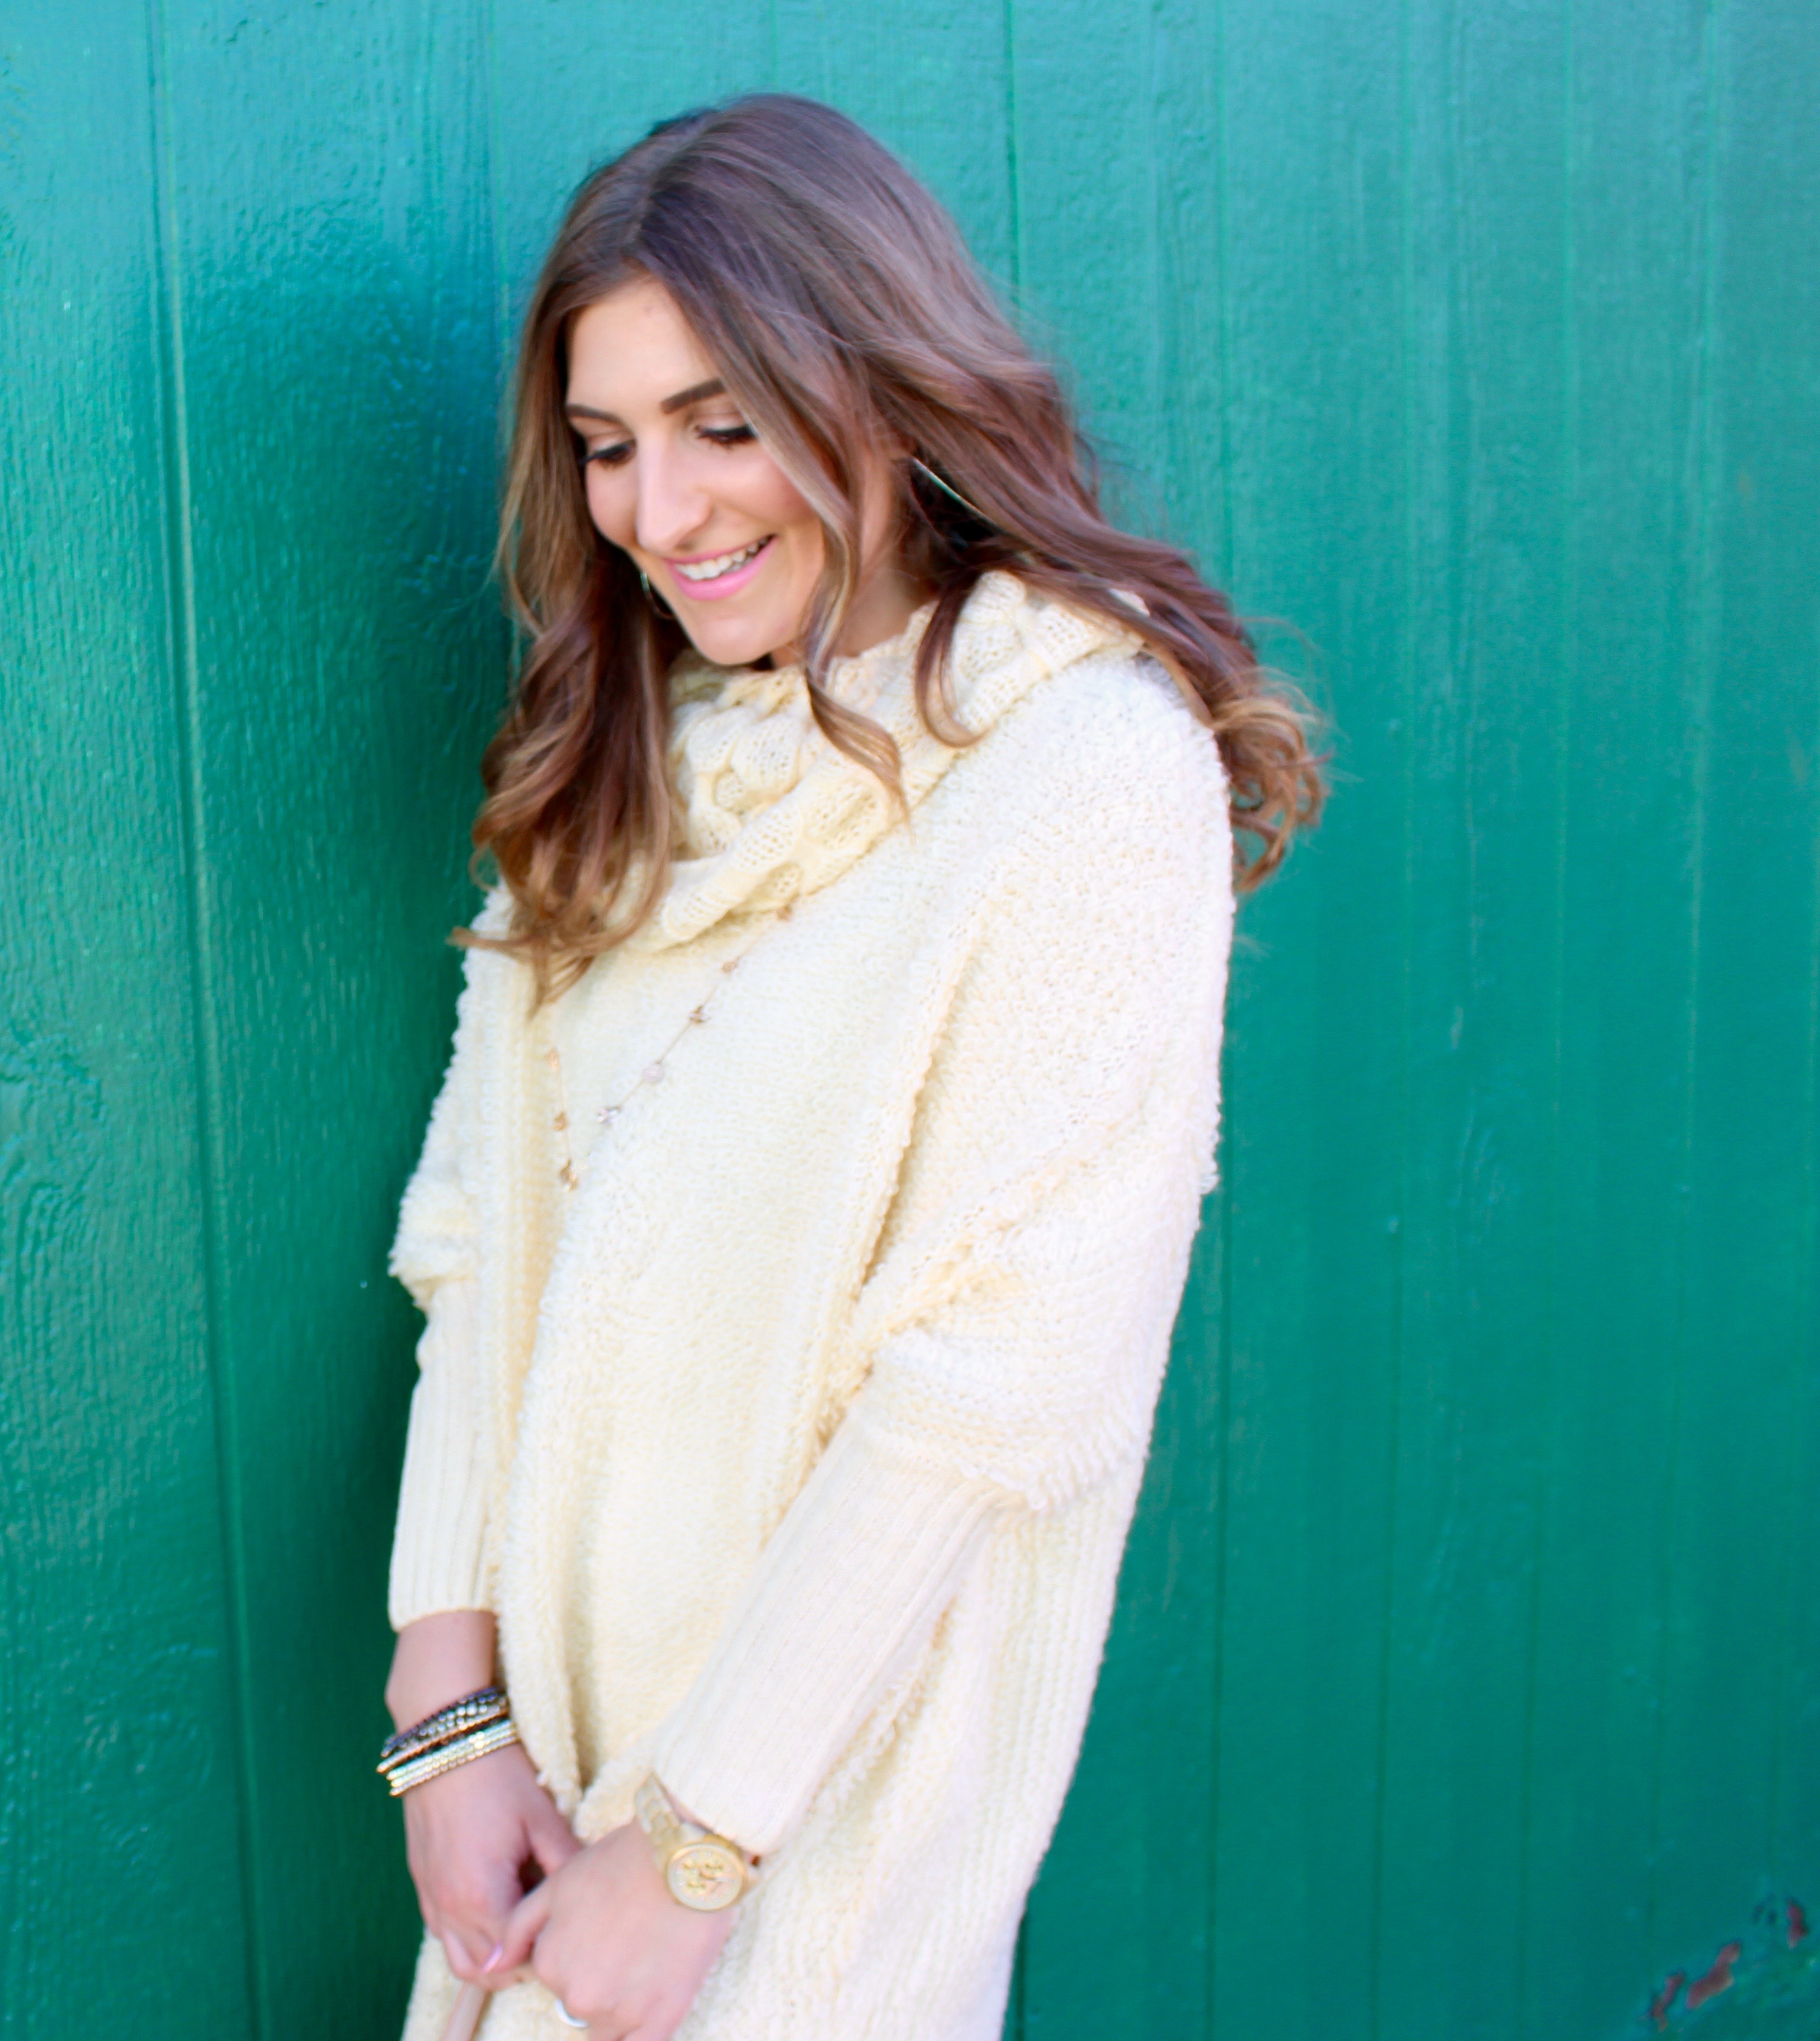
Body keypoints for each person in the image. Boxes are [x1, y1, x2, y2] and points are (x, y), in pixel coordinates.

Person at [373, 95, 1325, 2041]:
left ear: (885, 392)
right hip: (546, 1779)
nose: (664, 512)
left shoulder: (1080, 772)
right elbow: (485, 1232)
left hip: (813, 1834)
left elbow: (998, 1385)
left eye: (728, 423)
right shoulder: (634, 757)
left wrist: (699, 1847)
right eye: (609, 445)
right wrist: (445, 1711)